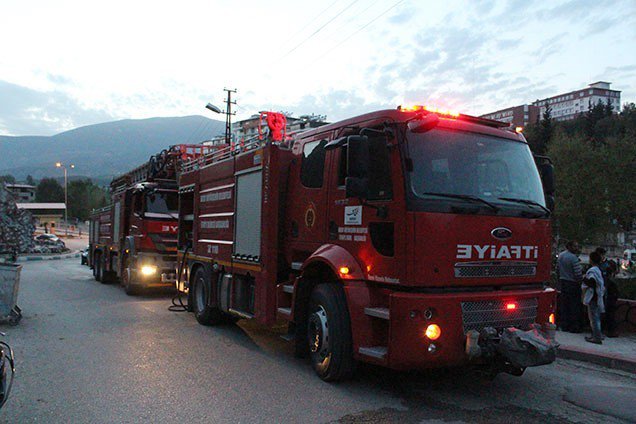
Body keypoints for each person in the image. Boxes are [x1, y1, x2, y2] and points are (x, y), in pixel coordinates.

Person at [557, 241, 583, 332]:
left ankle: (564, 325)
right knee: (574, 306)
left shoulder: (561, 256)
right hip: (573, 283)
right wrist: (580, 282)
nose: (576, 248)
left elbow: (558, 269)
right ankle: (574, 327)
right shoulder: (573, 258)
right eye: (575, 246)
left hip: (563, 282)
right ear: (570, 247)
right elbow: (578, 274)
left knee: (564, 305)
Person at [581, 251, 605, 344]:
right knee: (595, 317)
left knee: (594, 318)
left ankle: (597, 337)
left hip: (593, 296)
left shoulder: (593, 270)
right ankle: (595, 335)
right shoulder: (597, 269)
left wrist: (584, 278)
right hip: (596, 296)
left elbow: (592, 282)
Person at [602, 260, 620, 337]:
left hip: (609, 299)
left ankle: (609, 330)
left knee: (609, 315)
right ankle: (610, 331)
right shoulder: (611, 281)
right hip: (611, 299)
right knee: (610, 315)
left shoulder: (609, 281)